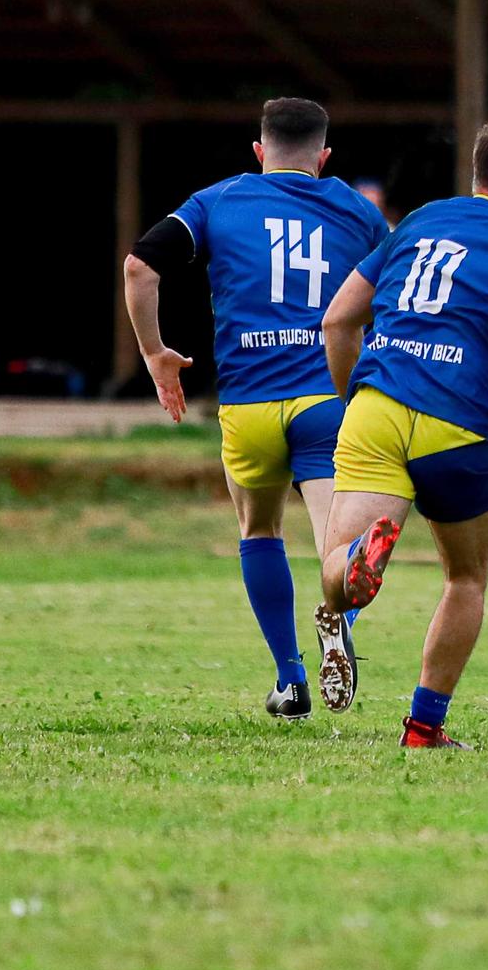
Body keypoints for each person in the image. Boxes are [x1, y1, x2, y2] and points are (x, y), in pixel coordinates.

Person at [122, 98, 388, 720]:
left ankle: (291, 679)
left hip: (247, 404)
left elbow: (140, 267)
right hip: (327, 399)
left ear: (259, 151)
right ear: (324, 158)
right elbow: (392, 293)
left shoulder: (217, 201)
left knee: (259, 530)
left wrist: (157, 354)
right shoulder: (359, 211)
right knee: (336, 544)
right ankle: (339, 607)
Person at [313, 115, 488, 748]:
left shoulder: (420, 222)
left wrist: (357, 401)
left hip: (378, 407)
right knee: (465, 578)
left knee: (336, 578)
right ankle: (424, 728)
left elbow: (339, 320)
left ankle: (361, 562)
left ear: (478, 173)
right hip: (456, 430)